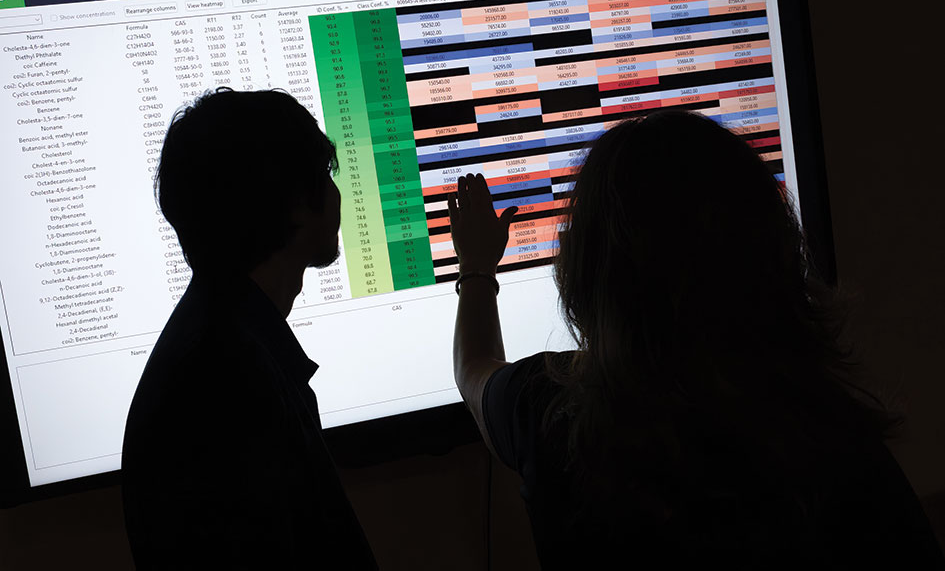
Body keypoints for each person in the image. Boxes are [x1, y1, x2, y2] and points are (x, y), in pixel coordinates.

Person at [448, 110, 945, 568]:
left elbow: (474, 369)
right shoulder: (833, 436)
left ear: (590, 273)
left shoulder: (553, 415)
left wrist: (476, 267)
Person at [122, 89, 377, 570]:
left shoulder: (218, 341)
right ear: (299, 204)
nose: (337, 192)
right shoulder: (226, 378)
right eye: (326, 175)